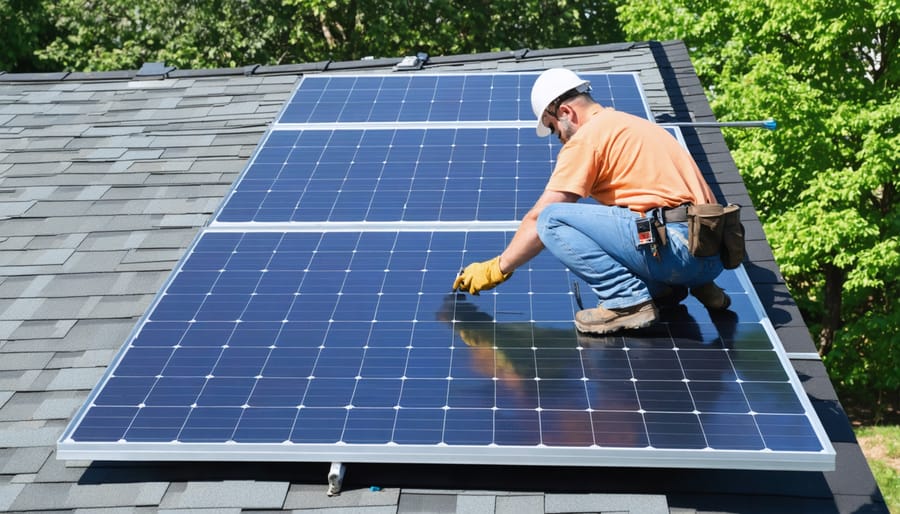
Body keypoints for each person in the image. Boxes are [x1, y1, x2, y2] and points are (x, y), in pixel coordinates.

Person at [452, 68, 731, 335]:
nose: (558, 139)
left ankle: (626, 302)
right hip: (713, 254)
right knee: (629, 218)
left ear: (565, 112)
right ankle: (685, 288)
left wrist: (497, 268)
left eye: (553, 129)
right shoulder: (637, 126)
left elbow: (539, 218)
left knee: (552, 218)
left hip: (676, 253)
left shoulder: (588, 137)